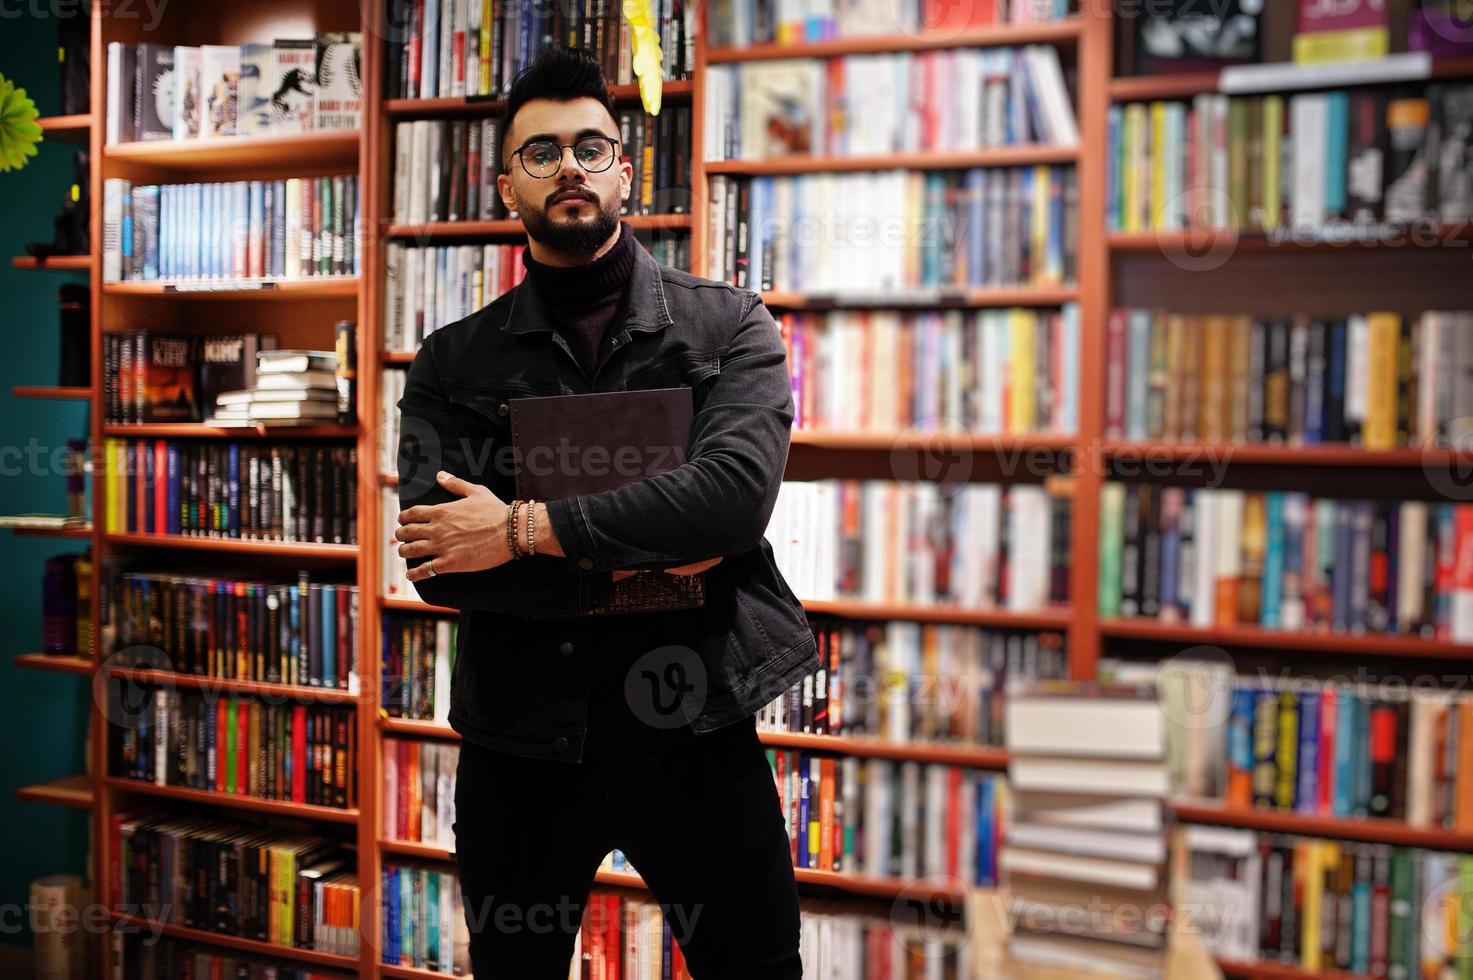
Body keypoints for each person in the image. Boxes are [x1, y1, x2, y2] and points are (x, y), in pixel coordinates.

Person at [392, 46, 817, 979]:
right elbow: (435, 561)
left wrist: (517, 529)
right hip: (521, 746)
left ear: (625, 170)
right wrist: (659, 545)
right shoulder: (449, 363)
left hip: (698, 735)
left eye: (592, 146)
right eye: (540, 153)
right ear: (507, 183)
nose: (570, 166)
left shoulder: (729, 327)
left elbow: (733, 502)